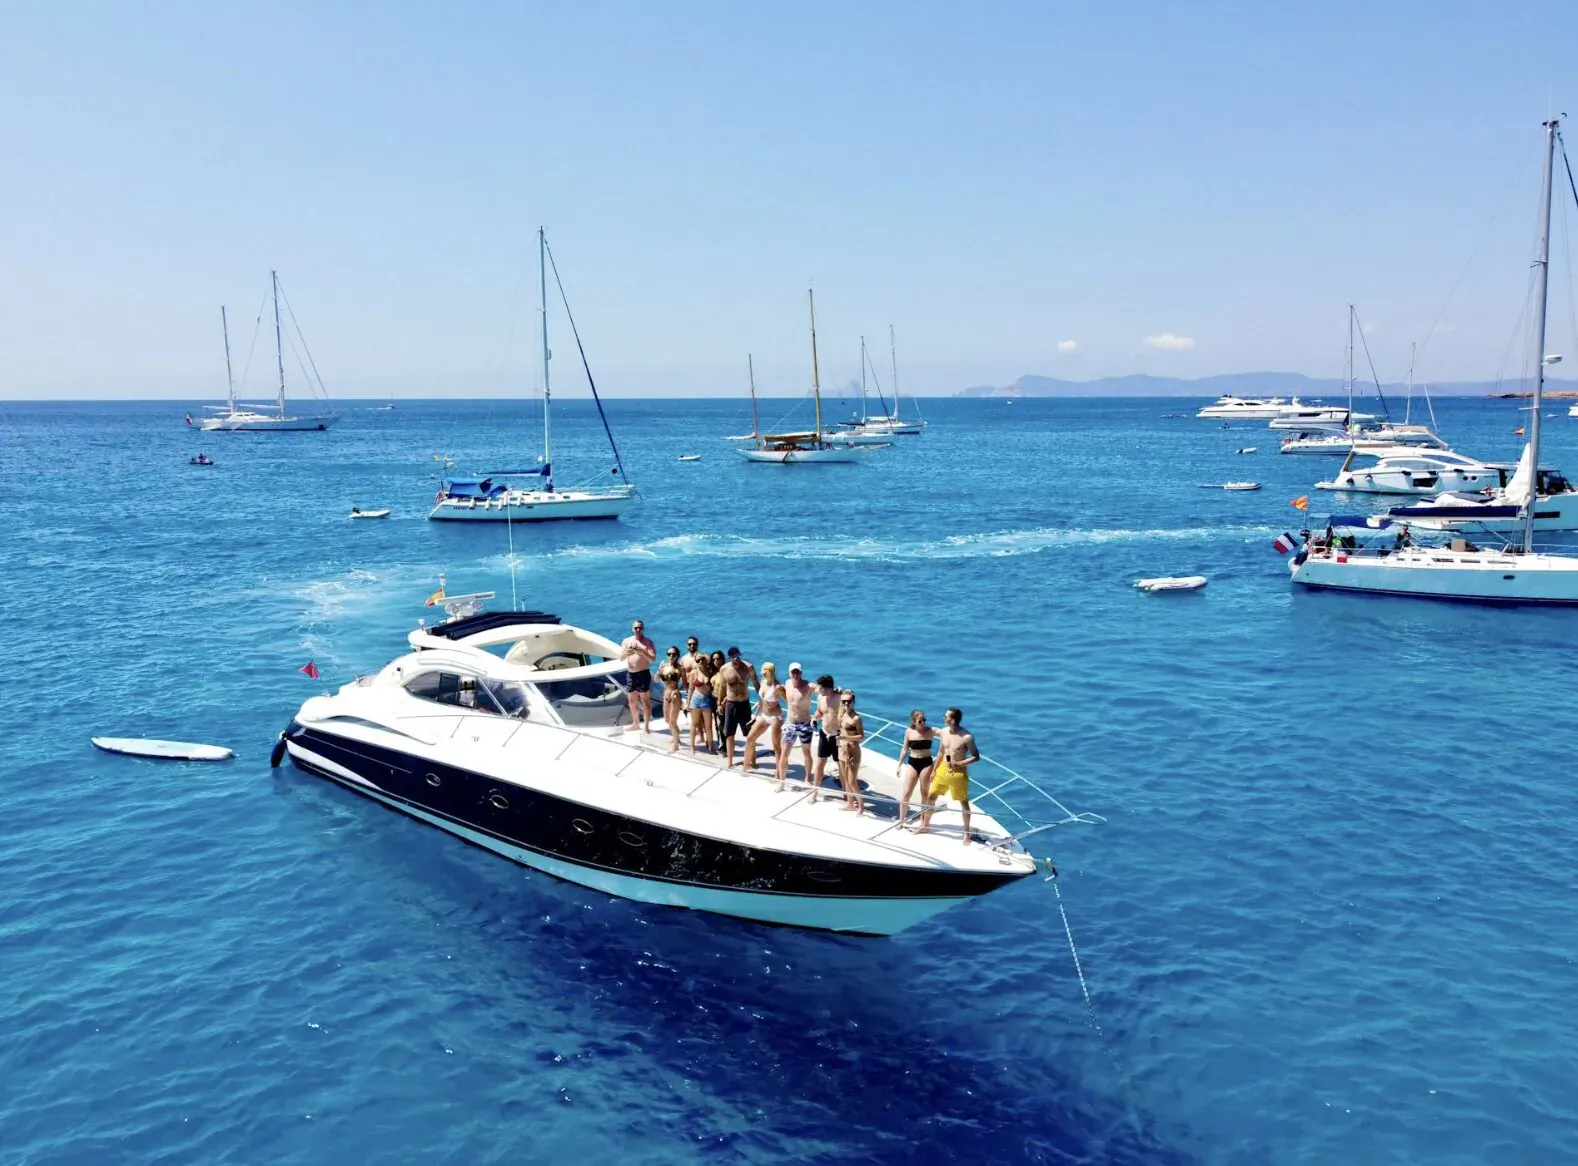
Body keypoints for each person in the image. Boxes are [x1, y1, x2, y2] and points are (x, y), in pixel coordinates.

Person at [918, 707, 979, 846]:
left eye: (945, 716)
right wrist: (934, 769)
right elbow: (941, 752)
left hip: (958, 772)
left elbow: (976, 756)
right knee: (931, 796)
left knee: (963, 802)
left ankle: (966, 832)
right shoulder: (944, 732)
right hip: (943, 769)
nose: (943, 718)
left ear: (952, 719)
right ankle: (926, 824)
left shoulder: (966, 737)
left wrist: (958, 763)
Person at [896, 709, 936, 827]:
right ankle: (901, 820)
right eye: (920, 721)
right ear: (914, 722)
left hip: (926, 763)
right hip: (913, 762)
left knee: (924, 792)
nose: (923, 723)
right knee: (906, 792)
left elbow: (944, 734)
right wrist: (899, 764)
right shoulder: (909, 732)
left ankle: (923, 820)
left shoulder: (930, 731)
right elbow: (905, 749)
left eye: (924, 720)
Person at [743, 661, 785, 775]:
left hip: (776, 717)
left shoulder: (778, 687)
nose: (762, 673)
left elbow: (789, 701)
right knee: (750, 738)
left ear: (769, 672)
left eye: (764, 671)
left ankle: (778, 772)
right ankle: (745, 767)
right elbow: (761, 701)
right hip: (764, 715)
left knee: (776, 745)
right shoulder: (763, 681)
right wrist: (756, 715)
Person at [778, 662, 814, 791]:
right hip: (790, 724)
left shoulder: (808, 686)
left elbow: (821, 688)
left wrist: (836, 691)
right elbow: (779, 689)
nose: (795, 674)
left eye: (797, 672)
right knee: (784, 753)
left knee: (806, 752)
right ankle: (782, 782)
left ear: (801, 673)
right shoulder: (787, 684)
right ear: (789, 673)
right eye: (793, 672)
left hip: (804, 724)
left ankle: (808, 778)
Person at [719, 647, 756, 769]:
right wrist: (720, 703)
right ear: (730, 657)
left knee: (750, 734)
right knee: (730, 734)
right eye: (734, 657)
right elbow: (722, 687)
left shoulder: (748, 667)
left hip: (744, 703)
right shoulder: (724, 669)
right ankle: (730, 761)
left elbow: (756, 683)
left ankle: (753, 760)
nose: (737, 659)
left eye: (738, 656)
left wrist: (763, 699)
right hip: (731, 704)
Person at [619, 619, 657, 734]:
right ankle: (635, 723)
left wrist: (641, 651)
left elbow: (652, 659)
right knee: (632, 700)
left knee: (645, 700)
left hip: (643, 673)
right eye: (636, 628)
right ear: (633, 629)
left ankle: (646, 726)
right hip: (631, 674)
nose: (638, 630)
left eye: (640, 628)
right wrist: (628, 652)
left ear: (643, 629)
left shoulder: (648, 642)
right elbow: (621, 658)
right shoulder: (626, 641)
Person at [810, 675, 841, 802]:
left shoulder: (839, 699)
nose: (818, 689)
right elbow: (820, 712)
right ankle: (814, 793)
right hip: (824, 734)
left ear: (827, 688)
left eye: (820, 687)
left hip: (837, 736)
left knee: (842, 766)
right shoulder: (820, 698)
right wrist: (814, 718)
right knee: (820, 764)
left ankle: (847, 795)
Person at [838, 689, 865, 814]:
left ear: (853, 702)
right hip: (843, 749)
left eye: (848, 701)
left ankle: (861, 805)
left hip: (853, 751)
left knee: (852, 781)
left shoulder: (856, 718)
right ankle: (850, 803)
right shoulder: (842, 714)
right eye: (844, 701)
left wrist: (846, 738)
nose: (846, 704)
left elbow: (861, 736)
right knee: (844, 777)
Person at [657, 645, 685, 753]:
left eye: (673, 654)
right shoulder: (663, 666)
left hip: (675, 695)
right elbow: (655, 679)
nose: (671, 656)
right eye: (669, 654)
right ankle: (676, 737)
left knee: (673, 721)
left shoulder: (680, 668)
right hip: (666, 695)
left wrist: (678, 690)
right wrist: (659, 670)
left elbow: (685, 683)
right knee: (667, 720)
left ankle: (676, 744)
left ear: (677, 656)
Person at [687, 654, 717, 754]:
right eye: (698, 660)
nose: (700, 661)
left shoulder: (711, 672)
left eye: (702, 659)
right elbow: (691, 689)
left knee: (708, 726)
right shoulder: (694, 673)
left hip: (706, 700)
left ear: (706, 660)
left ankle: (711, 747)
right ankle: (692, 746)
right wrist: (688, 703)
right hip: (695, 699)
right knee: (694, 724)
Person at [709, 650, 729, 753]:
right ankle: (721, 744)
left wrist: (722, 703)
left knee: (723, 724)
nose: (716, 661)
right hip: (713, 699)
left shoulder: (726, 672)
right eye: (714, 659)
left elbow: (729, 690)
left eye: (718, 659)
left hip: (723, 701)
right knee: (717, 724)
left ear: (722, 659)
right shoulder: (714, 672)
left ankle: (725, 747)